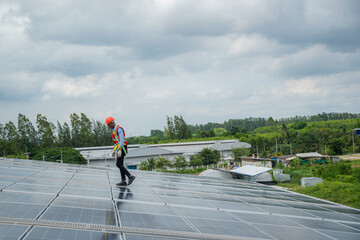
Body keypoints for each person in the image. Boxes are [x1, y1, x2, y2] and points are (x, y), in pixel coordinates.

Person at [106, 117, 135, 187]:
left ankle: (130, 176)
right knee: (121, 164)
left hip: (122, 148)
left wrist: (120, 149)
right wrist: (114, 150)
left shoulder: (119, 129)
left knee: (118, 164)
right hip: (119, 148)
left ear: (112, 123)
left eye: (109, 125)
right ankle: (123, 181)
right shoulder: (114, 130)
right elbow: (116, 141)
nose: (108, 126)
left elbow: (122, 140)